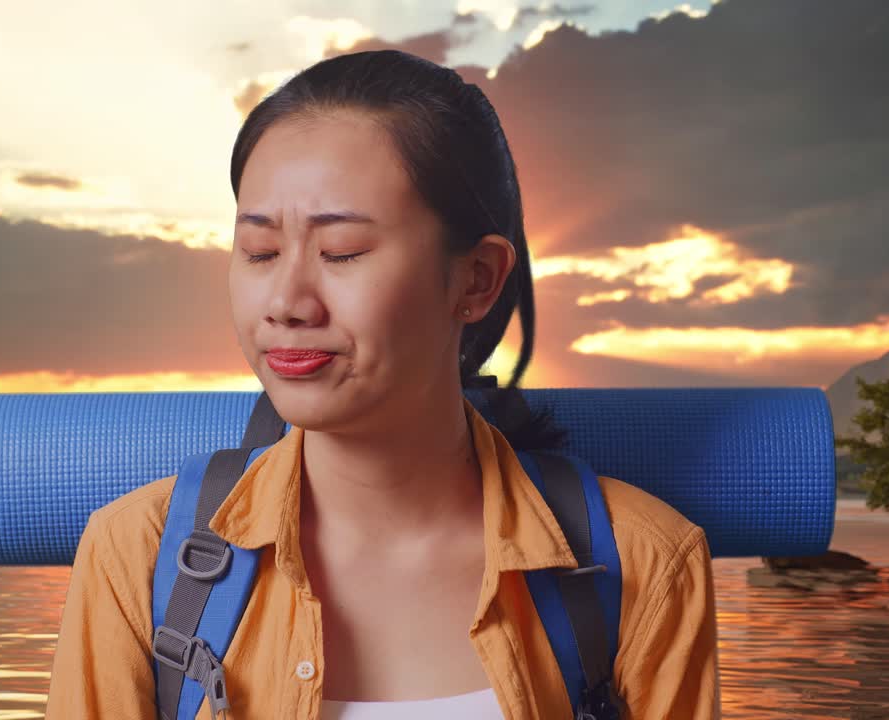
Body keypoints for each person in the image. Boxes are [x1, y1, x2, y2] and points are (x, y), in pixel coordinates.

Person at [44, 49, 720, 719]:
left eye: (342, 253)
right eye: (259, 252)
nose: (286, 302)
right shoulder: (134, 555)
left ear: (477, 278)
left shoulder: (646, 563)